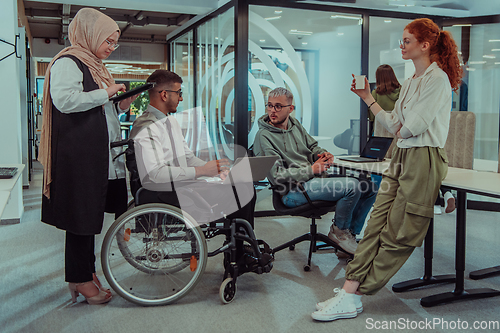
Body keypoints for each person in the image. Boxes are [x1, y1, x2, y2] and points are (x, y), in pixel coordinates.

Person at [311, 18, 462, 322]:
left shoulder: (437, 79)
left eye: (407, 41)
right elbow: (396, 126)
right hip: (401, 156)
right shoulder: (412, 83)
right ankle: (349, 289)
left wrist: (401, 127)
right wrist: (368, 97)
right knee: (375, 226)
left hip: (423, 158)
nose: (401, 46)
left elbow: (410, 128)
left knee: (399, 233)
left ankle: (356, 292)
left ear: (425, 44)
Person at [39, 8, 138, 305]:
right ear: (90, 35)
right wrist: (107, 94)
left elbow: (99, 112)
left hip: (95, 154)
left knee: (89, 216)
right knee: (81, 219)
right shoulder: (69, 62)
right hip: (79, 156)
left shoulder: (93, 65)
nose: (111, 48)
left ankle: (85, 272)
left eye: (114, 43)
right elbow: (66, 101)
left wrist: (120, 104)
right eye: (108, 41)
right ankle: (80, 279)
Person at [253, 87, 378, 255]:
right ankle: (339, 233)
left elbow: (312, 147)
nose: (272, 111)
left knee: (370, 187)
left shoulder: (294, 124)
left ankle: (350, 236)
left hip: (313, 182)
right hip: (292, 191)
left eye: (278, 106)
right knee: (352, 186)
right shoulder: (263, 136)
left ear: (290, 108)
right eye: (269, 105)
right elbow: (276, 177)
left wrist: (322, 154)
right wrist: (312, 169)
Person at [129, 69, 256, 229]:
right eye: (178, 93)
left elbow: (187, 157)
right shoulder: (146, 126)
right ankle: (239, 247)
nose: (181, 98)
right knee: (241, 192)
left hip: (180, 185)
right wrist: (201, 171)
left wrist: (215, 170)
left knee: (243, 185)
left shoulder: (171, 122)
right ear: (164, 95)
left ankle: (239, 245)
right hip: (164, 191)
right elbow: (155, 174)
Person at [369, 64, 401, 136]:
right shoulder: (402, 91)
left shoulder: (375, 93)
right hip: (397, 132)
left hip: (380, 132)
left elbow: (371, 117)